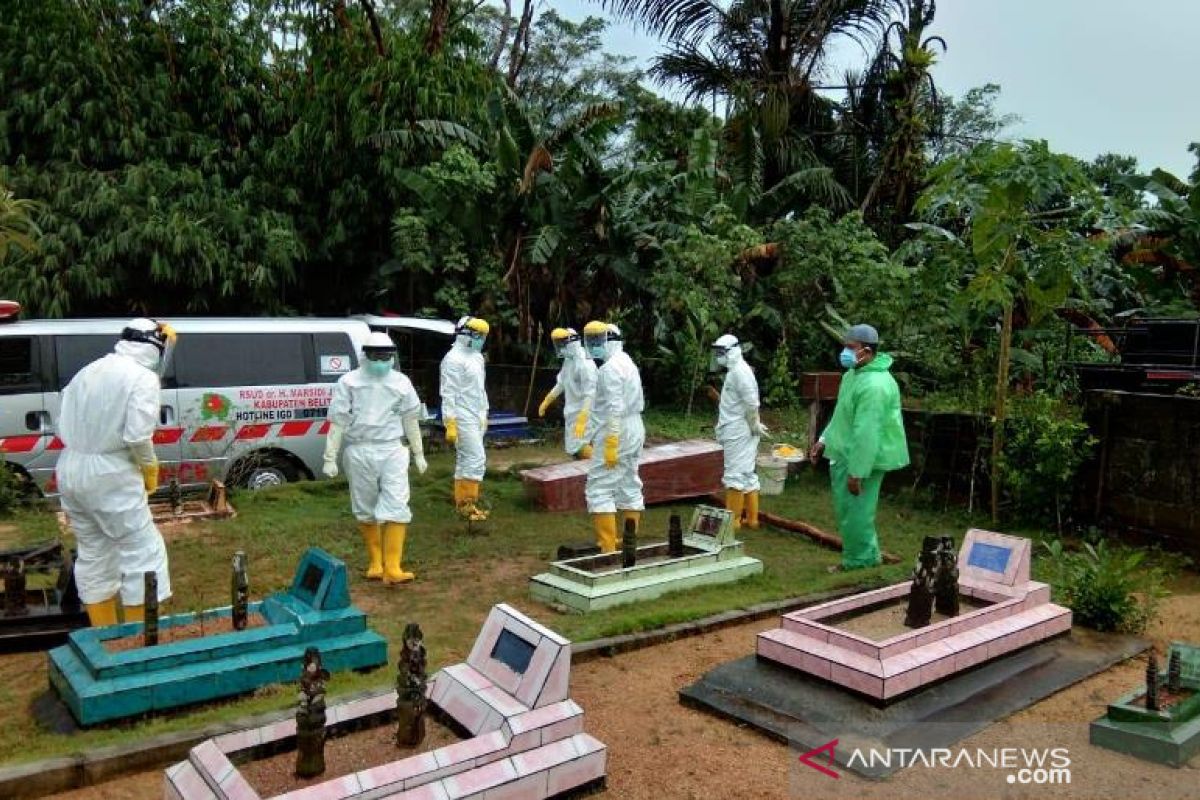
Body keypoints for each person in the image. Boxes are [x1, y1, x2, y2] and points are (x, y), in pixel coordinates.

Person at [57, 318, 176, 626]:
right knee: (142, 551)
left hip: (71, 467)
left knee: (94, 551)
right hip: (110, 473)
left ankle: (105, 637)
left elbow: (64, 418)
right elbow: (137, 436)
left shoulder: (89, 370)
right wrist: (149, 466)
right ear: (155, 347)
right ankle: (139, 641)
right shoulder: (142, 379)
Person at [323, 332, 427, 584]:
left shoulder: (402, 382)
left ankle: (393, 567)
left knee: (398, 503)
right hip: (359, 449)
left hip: (392, 449)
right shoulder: (348, 382)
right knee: (365, 507)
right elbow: (338, 422)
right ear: (364, 356)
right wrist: (330, 457)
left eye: (386, 356)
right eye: (376, 356)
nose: (381, 361)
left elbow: (410, 419)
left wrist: (418, 453)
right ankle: (375, 562)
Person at [810, 324, 910, 571]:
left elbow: (867, 433)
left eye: (850, 347)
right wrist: (823, 440)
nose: (845, 352)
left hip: (862, 459)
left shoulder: (874, 385)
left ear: (866, 351)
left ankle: (859, 561)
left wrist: (858, 472)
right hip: (845, 453)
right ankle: (868, 554)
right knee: (850, 510)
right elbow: (842, 414)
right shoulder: (853, 375)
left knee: (856, 513)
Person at [581, 321, 645, 553]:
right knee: (629, 481)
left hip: (617, 430)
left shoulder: (609, 369)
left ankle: (607, 548)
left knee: (599, 486)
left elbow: (614, 408)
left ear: (610, 341)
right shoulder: (626, 360)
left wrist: (610, 442)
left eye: (599, 341)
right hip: (635, 426)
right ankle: (630, 542)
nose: (595, 346)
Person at [712, 334, 768, 531]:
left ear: (733, 350)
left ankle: (733, 522)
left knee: (735, 475)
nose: (719, 356)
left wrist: (754, 425)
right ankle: (751, 519)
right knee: (747, 473)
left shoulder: (739, 373)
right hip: (737, 427)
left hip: (739, 430)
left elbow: (752, 403)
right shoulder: (735, 371)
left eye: (722, 352)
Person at [441, 315, 490, 521]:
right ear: (464, 334)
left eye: (483, 335)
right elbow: (448, 392)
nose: (481, 339)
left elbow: (480, 389)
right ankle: (469, 504)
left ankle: (463, 505)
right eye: (477, 334)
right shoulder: (452, 359)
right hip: (461, 415)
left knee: (466, 460)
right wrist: (450, 422)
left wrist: (484, 413)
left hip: (476, 414)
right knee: (475, 459)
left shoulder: (476, 357)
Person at [537, 327, 598, 459]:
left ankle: (602, 468)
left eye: (562, 343)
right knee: (573, 448)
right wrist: (547, 400)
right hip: (572, 413)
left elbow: (591, 393)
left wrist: (584, 416)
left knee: (581, 446)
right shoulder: (569, 360)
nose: (560, 347)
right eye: (558, 344)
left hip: (585, 412)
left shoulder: (585, 363)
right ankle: (581, 475)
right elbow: (561, 383)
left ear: (572, 342)